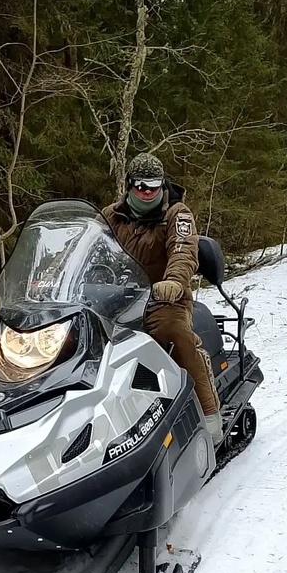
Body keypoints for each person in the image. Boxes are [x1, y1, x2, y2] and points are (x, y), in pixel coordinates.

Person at [103, 152, 222, 446]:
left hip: (162, 300)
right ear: (129, 185)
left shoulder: (176, 214)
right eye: (141, 185)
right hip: (114, 300)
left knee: (174, 333)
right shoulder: (110, 216)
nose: (147, 191)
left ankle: (210, 416)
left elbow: (183, 250)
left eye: (153, 185)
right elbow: (83, 247)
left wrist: (172, 281)